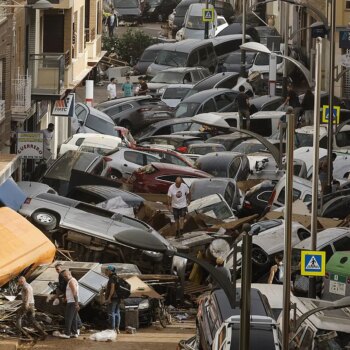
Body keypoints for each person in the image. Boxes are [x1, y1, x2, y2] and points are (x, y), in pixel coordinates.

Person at [59, 270, 80, 339]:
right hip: (72, 301)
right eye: (63, 277)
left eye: (66, 276)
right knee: (73, 319)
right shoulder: (71, 281)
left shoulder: (71, 281)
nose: (65, 278)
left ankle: (67, 334)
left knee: (68, 318)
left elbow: (75, 293)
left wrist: (76, 304)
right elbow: (71, 293)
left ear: (69, 274)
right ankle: (74, 333)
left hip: (72, 302)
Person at [104, 265, 121, 333]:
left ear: (110, 271)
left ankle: (112, 329)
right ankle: (117, 329)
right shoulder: (117, 277)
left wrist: (109, 298)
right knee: (117, 312)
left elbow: (112, 288)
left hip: (113, 298)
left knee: (112, 313)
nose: (105, 272)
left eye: (106, 270)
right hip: (118, 297)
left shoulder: (112, 278)